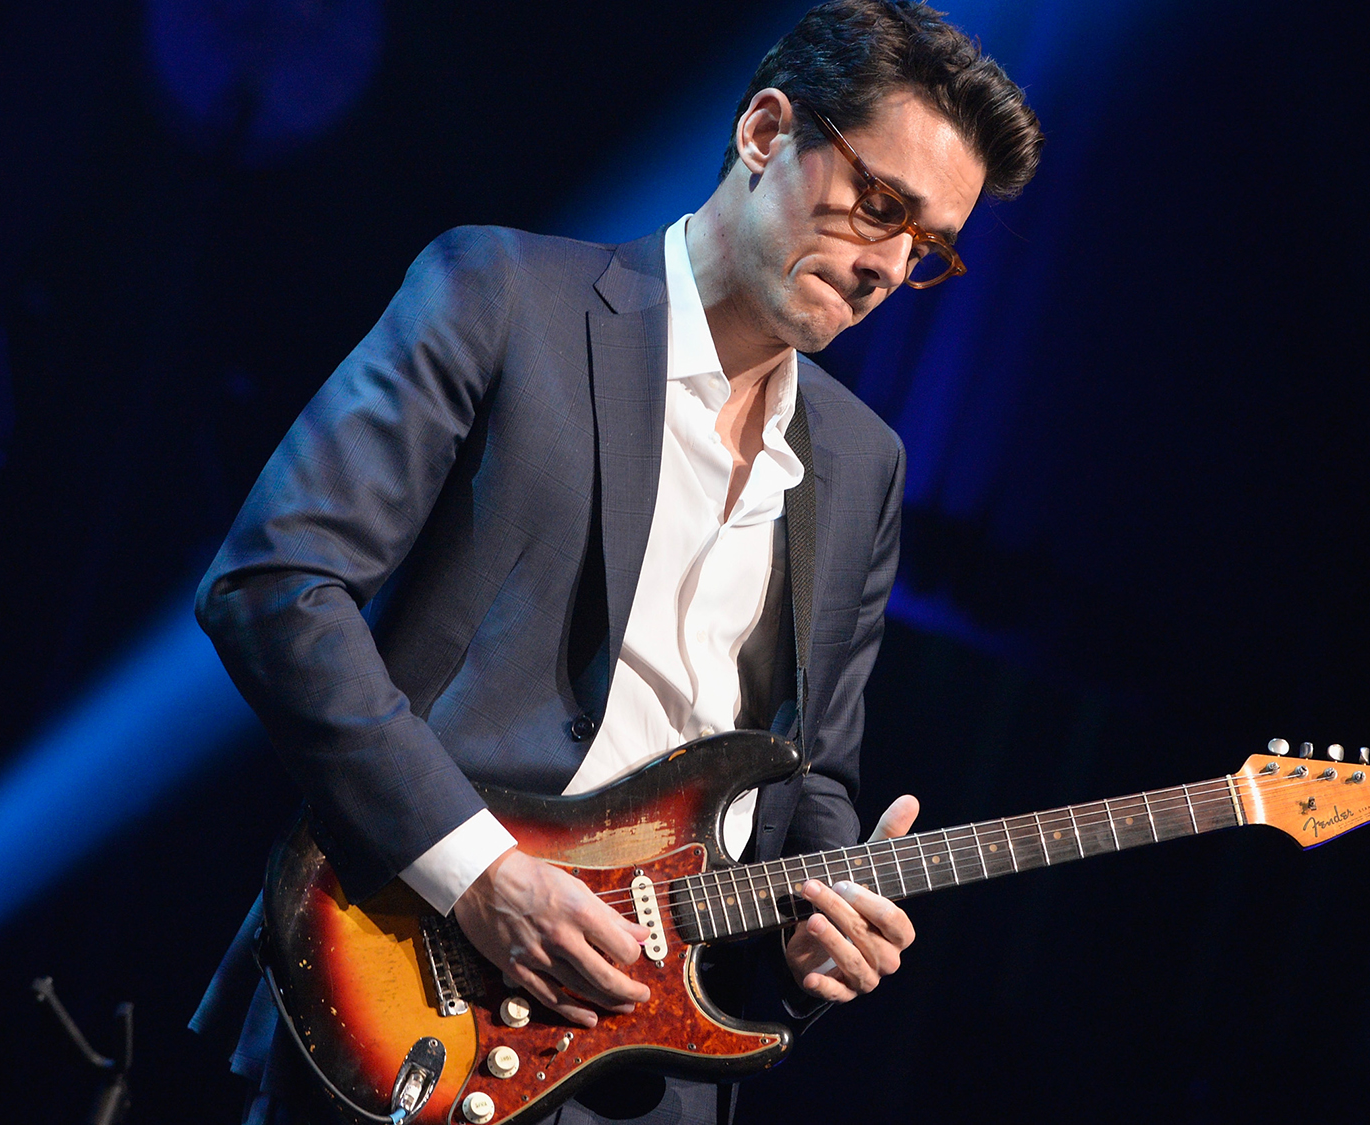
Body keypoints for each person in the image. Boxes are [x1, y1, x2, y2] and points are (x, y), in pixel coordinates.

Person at [189, 2, 1041, 1121]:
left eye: (925, 247)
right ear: (764, 131)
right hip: (406, 993)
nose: (886, 265)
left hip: (648, 1069)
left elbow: (813, 775)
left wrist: (817, 935)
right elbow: (274, 584)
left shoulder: (860, 463)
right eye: (878, 205)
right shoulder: (498, 295)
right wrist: (480, 874)